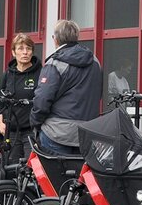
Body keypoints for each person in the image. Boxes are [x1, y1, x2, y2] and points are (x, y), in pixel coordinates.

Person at [31, 20, 102, 156]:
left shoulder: (54, 64)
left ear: (55, 39)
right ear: (76, 36)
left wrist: (35, 123)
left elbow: (42, 100)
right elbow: (97, 95)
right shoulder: (95, 62)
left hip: (56, 133)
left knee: (51, 170)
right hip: (86, 134)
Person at [0, 33, 41, 163]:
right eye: (20, 49)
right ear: (13, 52)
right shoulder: (8, 74)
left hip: (31, 131)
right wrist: (0, 123)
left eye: (28, 48)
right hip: (11, 131)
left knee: (30, 167)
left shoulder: (40, 73)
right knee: (11, 167)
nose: (25, 52)